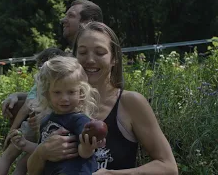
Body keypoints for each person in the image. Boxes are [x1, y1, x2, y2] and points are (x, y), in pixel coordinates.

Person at [23, 22, 178, 174]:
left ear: (114, 59)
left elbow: (168, 167)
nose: (90, 60)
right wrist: (41, 153)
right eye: (83, 53)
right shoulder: (59, 103)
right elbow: (32, 170)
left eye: (100, 53)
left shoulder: (129, 103)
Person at [9, 56, 104, 174]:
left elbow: (84, 154)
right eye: (57, 92)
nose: (64, 99)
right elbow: (44, 150)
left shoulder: (80, 120)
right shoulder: (46, 120)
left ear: (81, 93)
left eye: (71, 92)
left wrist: (88, 147)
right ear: (47, 94)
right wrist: (24, 144)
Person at [0, 48, 69, 175]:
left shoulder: (41, 84)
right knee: (24, 164)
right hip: (49, 131)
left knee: (7, 157)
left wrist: (12, 130)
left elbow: (26, 107)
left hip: (32, 127)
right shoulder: (63, 85)